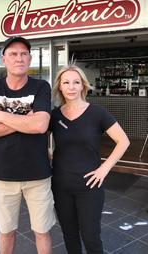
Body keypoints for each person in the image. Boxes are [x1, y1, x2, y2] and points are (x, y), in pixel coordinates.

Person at [0, 36, 55, 254]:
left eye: (23, 54)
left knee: (42, 231)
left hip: (38, 174)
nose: (18, 58)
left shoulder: (41, 87)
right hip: (4, 174)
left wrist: (0, 115)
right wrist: (25, 120)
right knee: (6, 230)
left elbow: (40, 126)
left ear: (29, 59)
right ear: (4, 59)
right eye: (13, 54)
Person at [49, 65, 130, 254]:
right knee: (69, 235)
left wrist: (104, 169)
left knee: (90, 237)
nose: (71, 87)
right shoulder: (54, 115)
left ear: (83, 86)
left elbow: (123, 141)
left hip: (90, 186)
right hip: (60, 184)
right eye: (66, 82)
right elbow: (37, 138)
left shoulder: (97, 113)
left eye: (76, 82)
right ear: (59, 87)